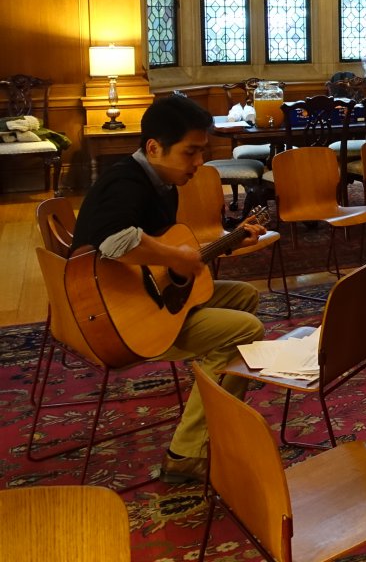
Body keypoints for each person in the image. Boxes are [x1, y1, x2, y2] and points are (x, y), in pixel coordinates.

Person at [72, 95, 266, 485]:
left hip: (143, 297)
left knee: (244, 296)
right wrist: (178, 257)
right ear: (154, 147)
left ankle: (213, 401)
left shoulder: (162, 183)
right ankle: (186, 452)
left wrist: (228, 242)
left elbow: (162, 257)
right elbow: (115, 241)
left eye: (202, 152)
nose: (199, 163)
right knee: (246, 330)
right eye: (190, 152)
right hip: (116, 318)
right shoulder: (125, 182)